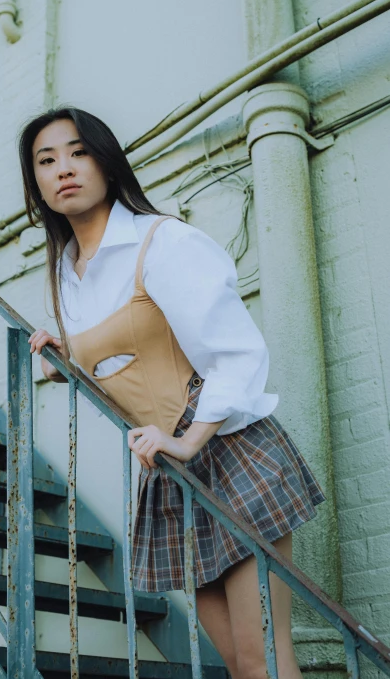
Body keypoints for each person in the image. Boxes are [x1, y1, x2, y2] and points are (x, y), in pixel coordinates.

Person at [19, 105, 325, 679]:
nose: (65, 168)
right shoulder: (66, 274)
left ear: (108, 163)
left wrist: (188, 441)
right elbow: (125, 360)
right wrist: (65, 363)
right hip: (171, 476)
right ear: (35, 183)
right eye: (47, 159)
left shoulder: (164, 242)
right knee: (236, 663)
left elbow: (236, 352)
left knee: (264, 658)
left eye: (79, 152)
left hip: (229, 451)